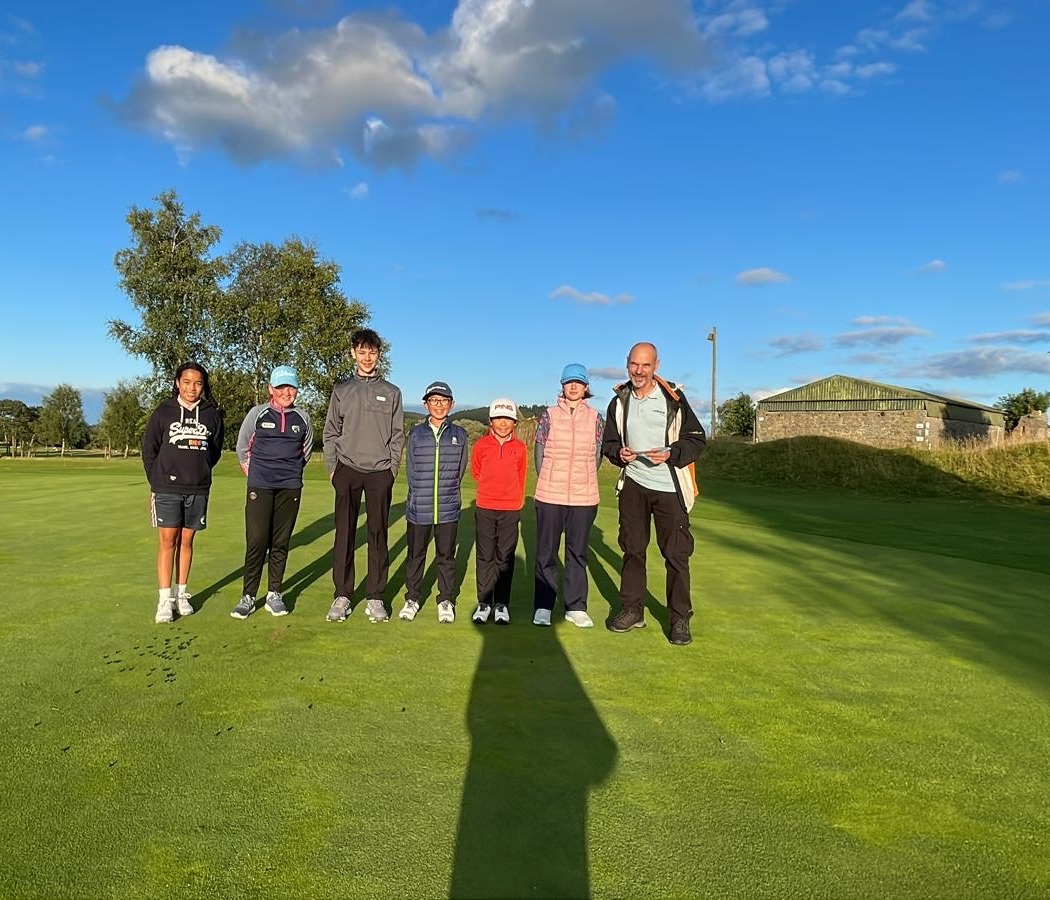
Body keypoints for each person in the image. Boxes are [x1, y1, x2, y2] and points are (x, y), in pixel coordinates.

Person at [601, 342, 706, 645]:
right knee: (633, 550)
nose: (639, 370)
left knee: (675, 554)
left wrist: (673, 453)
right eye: (634, 364)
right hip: (634, 484)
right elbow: (608, 443)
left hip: (669, 487)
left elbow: (697, 441)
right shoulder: (619, 401)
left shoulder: (674, 399)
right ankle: (633, 610)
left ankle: (679, 618)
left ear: (656, 366)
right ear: (627, 365)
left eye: (645, 365)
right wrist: (618, 454)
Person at [322, 329, 404, 623]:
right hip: (347, 470)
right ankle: (342, 595)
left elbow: (397, 435)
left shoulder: (392, 392)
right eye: (362, 351)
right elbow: (330, 432)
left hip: (380, 472)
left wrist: (392, 469)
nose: (367, 357)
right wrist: (333, 469)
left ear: (378, 355)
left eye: (372, 352)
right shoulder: (342, 390)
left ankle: (376, 596)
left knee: (378, 535)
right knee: (344, 534)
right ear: (353, 353)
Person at [141, 361, 225, 624]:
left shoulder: (212, 414)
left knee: (187, 542)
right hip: (166, 488)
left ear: (203, 386)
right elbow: (149, 449)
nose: (192, 388)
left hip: (197, 488)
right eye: (187, 382)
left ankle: (181, 594)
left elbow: (214, 450)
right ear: (178, 383)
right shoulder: (163, 411)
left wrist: (198, 471)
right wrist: (157, 480)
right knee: (168, 542)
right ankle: (164, 599)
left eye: (198, 383)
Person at [230, 366, 313, 619]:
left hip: (290, 486)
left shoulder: (303, 418)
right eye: (281, 387)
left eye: (291, 387)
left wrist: (290, 473)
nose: (286, 392)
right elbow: (242, 447)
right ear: (271, 389)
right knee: (257, 540)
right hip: (260, 485)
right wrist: (254, 474)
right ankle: (248, 596)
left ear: (297, 389)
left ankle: (274, 593)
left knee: (280, 542)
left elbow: (305, 452)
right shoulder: (258, 414)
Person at [532, 364, 604, 628]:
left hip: (584, 497)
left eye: (579, 383)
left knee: (577, 553)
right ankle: (543, 605)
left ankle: (576, 607)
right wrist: (548, 479)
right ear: (562, 386)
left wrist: (582, 480)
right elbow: (539, 452)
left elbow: (596, 456)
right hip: (550, 493)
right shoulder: (548, 415)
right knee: (546, 552)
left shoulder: (596, 417)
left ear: (586, 388)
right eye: (569, 382)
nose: (573, 387)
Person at [400, 380, 469, 624]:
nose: (438, 405)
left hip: (448, 508)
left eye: (443, 401)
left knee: (446, 557)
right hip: (419, 507)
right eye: (434, 401)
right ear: (425, 404)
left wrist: (448, 492)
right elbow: (410, 470)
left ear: (451, 404)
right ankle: (412, 598)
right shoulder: (416, 434)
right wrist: (418, 494)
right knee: (416, 555)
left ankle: (446, 600)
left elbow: (460, 470)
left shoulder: (460, 434)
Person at [470, 398, 527, 625]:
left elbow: (521, 475)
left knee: (505, 557)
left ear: (514, 422)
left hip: (510, 509)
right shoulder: (482, 445)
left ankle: (501, 604)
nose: (503, 424)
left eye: (508, 419)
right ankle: (484, 603)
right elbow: (476, 472)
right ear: (491, 421)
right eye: (498, 419)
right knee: (485, 556)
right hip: (485, 506)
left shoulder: (520, 448)